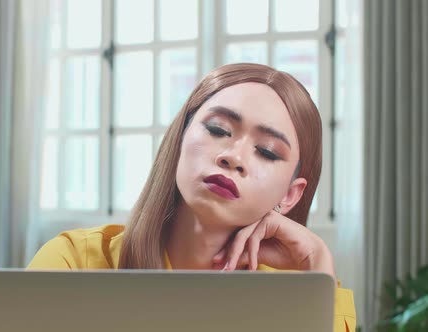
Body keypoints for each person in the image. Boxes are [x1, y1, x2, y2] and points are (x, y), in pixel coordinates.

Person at [28, 63, 356, 331]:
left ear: (290, 195)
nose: (234, 156)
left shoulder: (297, 299)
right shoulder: (73, 264)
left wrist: (317, 261)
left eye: (267, 152)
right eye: (217, 130)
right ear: (180, 138)